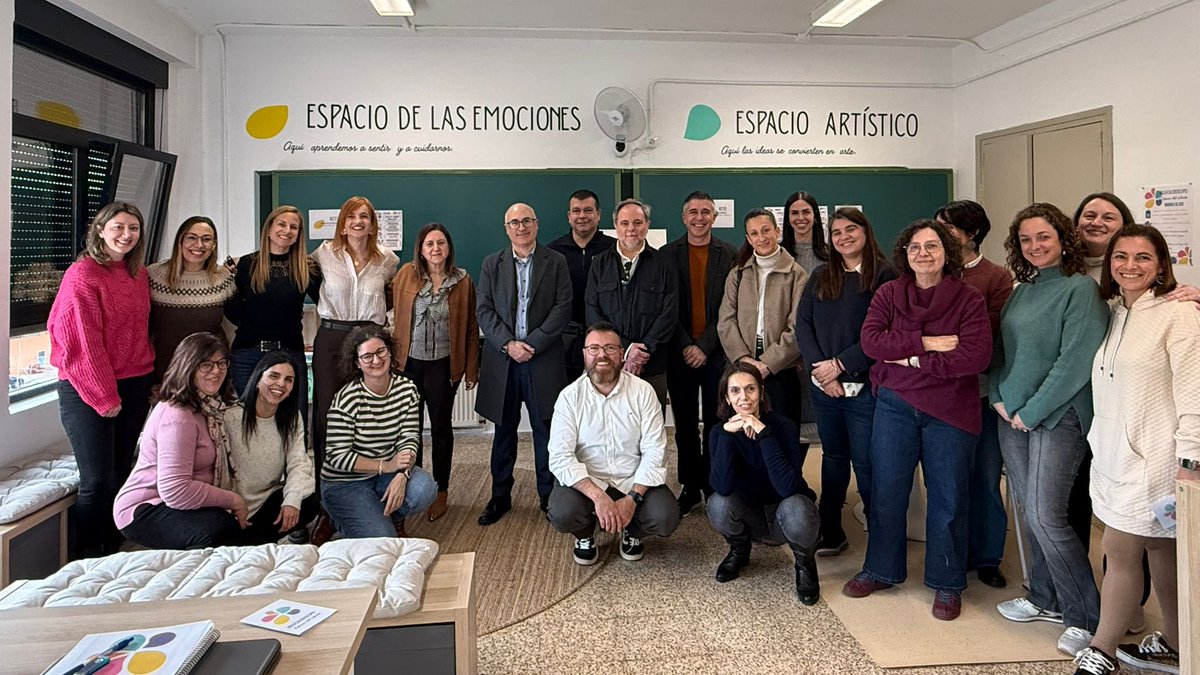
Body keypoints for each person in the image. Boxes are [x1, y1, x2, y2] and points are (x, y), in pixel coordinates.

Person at [841, 219, 991, 622]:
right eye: (915, 247)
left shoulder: (969, 299)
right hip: (895, 406)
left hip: (951, 411)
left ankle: (947, 581)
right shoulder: (890, 293)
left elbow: (974, 357)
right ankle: (881, 569)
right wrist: (927, 344)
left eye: (932, 246)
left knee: (949, 498)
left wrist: (908, 359)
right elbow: (872, 342)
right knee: (886, 491)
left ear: (947, 252)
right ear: (904, 255)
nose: (923, 254)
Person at [1071, 225, 1200, 675]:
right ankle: (1179, 643)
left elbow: (1193, 392)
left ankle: (1103, 650)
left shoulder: (1178, 314)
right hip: (1114, 456)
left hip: (1159, 461)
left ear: (1162, 264)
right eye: (1120, 256)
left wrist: (1191, 461)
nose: (1130, 265)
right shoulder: (1114, 312)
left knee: (1119, 550)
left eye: (1143, 257)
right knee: (1162, 551)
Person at [990, 203, 1108, 656]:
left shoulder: (1081, 290)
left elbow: (1074, 362)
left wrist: (1033, 410)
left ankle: (1084, 617)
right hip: (1012, 416)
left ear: (1062, 239)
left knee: (1047, 516)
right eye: (1026, 239)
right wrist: (999, 397)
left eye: (1044, 237)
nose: (1035, 246)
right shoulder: (1023, 290)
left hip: (1058, 418)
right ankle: (1044, 597)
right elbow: (1002, 352)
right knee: (1027, 511)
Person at [48, 201, 155, 558]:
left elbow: (140, 331)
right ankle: (85, 555)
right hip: (86, 387)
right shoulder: (82, 275)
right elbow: (81, 340)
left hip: (134, 383)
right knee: (96, 480)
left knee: (122, 470)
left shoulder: (138, 274)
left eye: (133, 228)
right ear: (100, 230)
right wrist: (104, 396)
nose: (126, 235)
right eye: (118, 227)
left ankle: (113, 547)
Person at [796, 207, 896, 557]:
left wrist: (841, 365)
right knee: (834, 457)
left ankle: (881, 541)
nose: (843, 237)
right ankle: (831, 530)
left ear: (866, 232)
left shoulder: (885, 275)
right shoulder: (821, 275)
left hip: (865, 388)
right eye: (836, 232)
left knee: (867, 463)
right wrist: (822, 372)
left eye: (850, 229)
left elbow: (884, 333)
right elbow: (803, 325)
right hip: (824, 387)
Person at [547, 322, 680, 564]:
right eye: (594, 348)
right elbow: (560, 457)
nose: (602, 355)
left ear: (621, 354)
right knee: (562, 512)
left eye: (610, 348)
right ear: (584, 354)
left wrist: (632, 499)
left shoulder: (643, 392)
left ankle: (633, 531)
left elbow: (655, 451)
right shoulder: (569, 397)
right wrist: (598, 497)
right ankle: (585, 534)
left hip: (632, 479)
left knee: (666, 517)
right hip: (590, 480)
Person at [475, 203, 572, 525]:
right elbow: (484, 309)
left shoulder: (555, 261)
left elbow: (563, 307)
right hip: (503, 360)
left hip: (542, 359)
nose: (521, 227)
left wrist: (532, 344)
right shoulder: (492, 264)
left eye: (527, 220)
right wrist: (509, 344)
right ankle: (500, 496)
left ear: (536, 224)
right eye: (514, 222)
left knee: (546, 430)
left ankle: (548, 496)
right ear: (506, 228)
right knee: (503, 431)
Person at [934, 200, 1013, 589]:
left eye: (948, 228)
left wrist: (948, 338)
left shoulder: (996, 277)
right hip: (939, 395)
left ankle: (987, 556)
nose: (940, 235)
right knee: (950, 481)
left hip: (980, 394)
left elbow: (990, 334)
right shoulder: (932, 272)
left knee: (985, 477)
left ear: (972, 233)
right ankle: (956, 552)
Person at [113, 332, 247, 550]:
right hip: (146, 506)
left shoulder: (209, 408)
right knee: (218, 531)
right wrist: (234, 500)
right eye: (206, 365)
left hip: (177, 500)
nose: (216, 371)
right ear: (188, 367)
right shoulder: (178, 416)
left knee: (234, 530)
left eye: (221, 363)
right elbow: (174, 489)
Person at [707, 361, 822, 605]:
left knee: (797, 506)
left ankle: (805, 564)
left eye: (750, 389)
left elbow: (788, 488)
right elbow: (722, 486)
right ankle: (740, 551)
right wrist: (727, 435)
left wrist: (764, 434)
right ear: (726, 398)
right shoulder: (720, 432)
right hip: (751, 517)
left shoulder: (783, 427)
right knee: (717, 503)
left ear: (761, 393)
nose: (744, 397)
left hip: (784, 516)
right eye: (735, 391)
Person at [392, 222, 479, 522]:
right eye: (429, 244)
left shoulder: (463, 280)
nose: (436, 249)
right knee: (410, 429)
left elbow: (471, 327)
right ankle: (411, 486)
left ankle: (441, 491)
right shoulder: (406, 274)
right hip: (409, 365)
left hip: (443, 366)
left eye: (441, 243)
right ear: (421, 249)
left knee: (441, 429)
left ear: (449, 248)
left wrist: (471, 368)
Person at [310, 196, 399, 484]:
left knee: (370, 411)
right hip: (332, 338)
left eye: (364, 217)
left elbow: (391, 299)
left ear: (372, 225)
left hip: (371, 339)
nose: (357, 222)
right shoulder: (323, 254)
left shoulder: (388, 260)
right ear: (342, 224)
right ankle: (327, 487)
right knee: (328, 412)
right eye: (351, 216)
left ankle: (367, 479)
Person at [661, 191, 738, 515]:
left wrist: (704, 346)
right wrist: (686, 345)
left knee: (717, 423)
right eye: (693, 212)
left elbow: (729, 308)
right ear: (684, 217)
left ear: (714, 217)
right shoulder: (666, 255)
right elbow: (666, 308)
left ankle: (713, 482)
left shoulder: (731, 254)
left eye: (706, 212)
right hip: (679, 353)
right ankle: (690, 485)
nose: (699, 217)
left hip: (716, 353)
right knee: (685, 425)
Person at [321, 326, 437, 539]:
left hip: (385, 474)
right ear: (357, 363)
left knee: (425, 489)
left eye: (381, 351)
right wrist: (387, 466)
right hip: (346, 483)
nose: (376, 360)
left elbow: (409, 438)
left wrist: (402, 474)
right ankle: (337, 519)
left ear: (390, 352)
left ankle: (385, 515)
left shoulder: (407, 389)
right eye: (367, 356)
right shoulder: (346, 399)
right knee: (384, 541)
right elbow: (337, 456)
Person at [717, 208, 808, 442]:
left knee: (782, 437)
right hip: (741, 369)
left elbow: (798, 327)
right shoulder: (737, 274)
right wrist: (743, 360)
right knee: (744, 440)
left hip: (780, 370)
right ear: (748, 239)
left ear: (777, 231)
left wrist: (767, 364)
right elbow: (726, 320)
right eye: (754, 233)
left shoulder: (797, 275)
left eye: (766, 230)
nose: (761, 238)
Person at [584, 198, 679, 406]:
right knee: (610, 421)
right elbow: (592, 311)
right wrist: (625, 349)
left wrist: (642, 351)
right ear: (615, 226)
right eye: (624, 223)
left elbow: (669, 314)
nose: (631, 229)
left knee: (651, 422)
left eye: (637, 223)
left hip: (652, 364)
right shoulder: (599, 264)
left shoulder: (665, 264)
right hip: (609, 363)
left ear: (647, 225)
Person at [225, 206, 315, 408]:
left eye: (294, 227)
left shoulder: (306, 268)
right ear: (268, 229)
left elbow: (328, 300)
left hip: (290, 353)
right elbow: (232, 309)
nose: (287, 230)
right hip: (249, 353)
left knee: (295, 419)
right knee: (246, 418)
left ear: (299, 235)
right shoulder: (246, 264)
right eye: (281, 224)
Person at [225, 351, 319, 545]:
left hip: (267, 503)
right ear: (257, 379)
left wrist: (292, 500)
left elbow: (299, 463)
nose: (281, 384)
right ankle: (250, 542)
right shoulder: (230, 417)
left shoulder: (292, 418)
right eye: (274, 376)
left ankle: (251, 542)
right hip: (232, 507)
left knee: (309, 502)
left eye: (288, 380)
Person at [147, 216, 236, 384]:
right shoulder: (154, 276)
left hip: (209, 374)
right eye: (191, 237)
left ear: (214, 244)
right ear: (180, 241)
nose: (199, 245)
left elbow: (231, 326)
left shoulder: (223, 278)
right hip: (164, 372)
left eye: (206, 239)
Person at [548, 189, 616, 382]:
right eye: (576, 211)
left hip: (606, 341)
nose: (582, 216)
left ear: (598, 214)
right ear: (569, 216)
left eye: (588, 210)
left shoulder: (614, 249)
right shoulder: (553, 253)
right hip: (564, 343)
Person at [780, 191, 829, 276]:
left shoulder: (830, 254)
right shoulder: (778, 254)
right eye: (794, 213)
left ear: (815, 216)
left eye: (806, 212)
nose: (801, 218)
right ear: (788, 218)